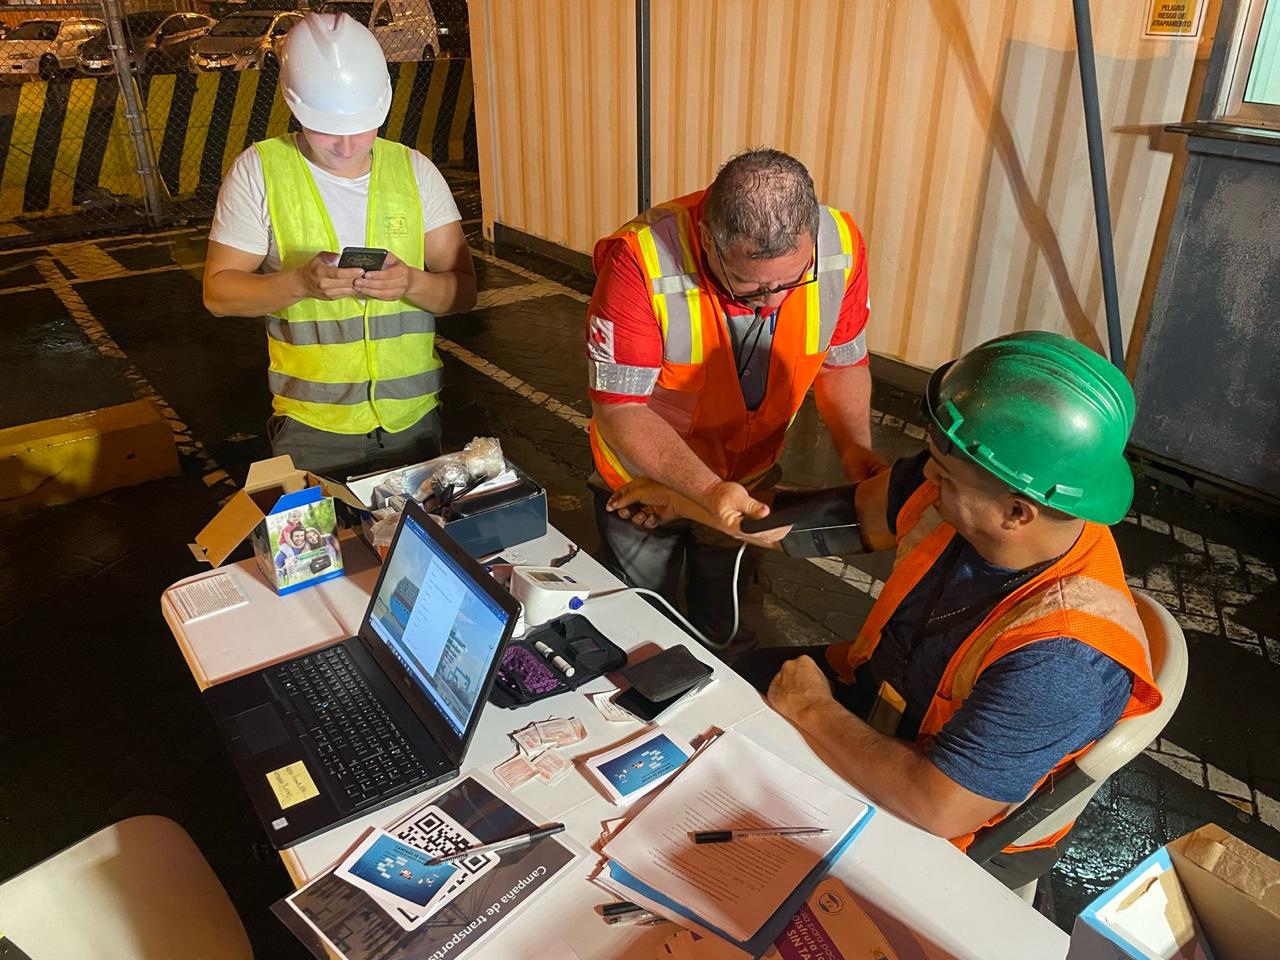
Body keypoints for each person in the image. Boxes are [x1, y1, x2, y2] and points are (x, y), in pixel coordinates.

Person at [607, 331, 1163, 889]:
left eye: (944, 477)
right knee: (692, 690)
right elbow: (808, 525)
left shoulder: (1063, 658)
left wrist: (812, 711)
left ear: (1016, 513)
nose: (924, 478)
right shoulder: (972, 490)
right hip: (876, 697)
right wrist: (684, 500)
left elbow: (939, 807)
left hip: (953, 820)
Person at [586, 148, 881, 648]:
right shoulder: (641, 260)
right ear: (707, 240)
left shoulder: (841, 244)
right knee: (635, 628)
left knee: (728, 625)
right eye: (750, 285)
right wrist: (703, 492)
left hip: (749, 480)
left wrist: (856, 449)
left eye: (792, 280)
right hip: (641, 483)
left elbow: (843, 361)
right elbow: (620, 409)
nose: (773, 302)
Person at [203, 13, 476, 477]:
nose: (348, 146)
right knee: (327, 551)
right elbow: (218, 295)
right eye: (327, 128)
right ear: (293, 104)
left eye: (363, 126)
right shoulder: (260, 171)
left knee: (412, 549)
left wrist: (411, 282)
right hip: (313, 429)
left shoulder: (414, 171)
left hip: (414, 423)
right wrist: (298, 283)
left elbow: (464, 293)